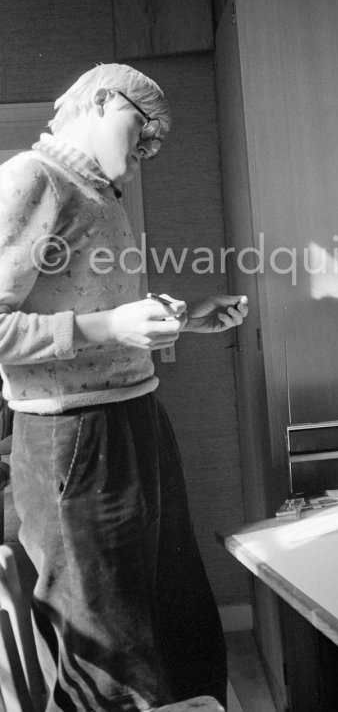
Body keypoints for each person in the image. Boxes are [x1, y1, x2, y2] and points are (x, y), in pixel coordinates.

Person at [0, 63, 247, 711]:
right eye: (141, 129)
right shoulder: (33, 178)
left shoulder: (97, 196)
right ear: (103, 99)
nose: (144, 151)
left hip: (136, 418)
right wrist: (110, 322)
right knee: (109, 643)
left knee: (174, 616)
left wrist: (180, 319)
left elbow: (99, 315)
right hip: (73, 435)